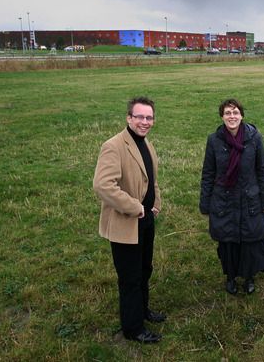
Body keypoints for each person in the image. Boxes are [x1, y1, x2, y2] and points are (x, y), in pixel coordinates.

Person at [93, 96, 166, 344]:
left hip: (146, 221)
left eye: (149, 117)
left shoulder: (146, 143)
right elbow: (103, 185)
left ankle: (142, 311)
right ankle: (133, 328)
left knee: (145, 270)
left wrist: (155, 202)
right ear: (129, 118)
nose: (144, 122)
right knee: (130, 277)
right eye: (140, 117)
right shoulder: (114, 146)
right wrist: (135, 207)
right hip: (126, 223)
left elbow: (150, 177)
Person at [200, 98, 264, 295]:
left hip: (249, 198)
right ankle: (230, 277)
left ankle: (249, 276)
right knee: (228, 242)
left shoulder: (254, 138)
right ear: (222, 116)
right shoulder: (214, 140)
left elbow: (261, 170)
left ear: (242, 115)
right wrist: (205, 203)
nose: (232, 116)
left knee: (249, 240)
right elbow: (208, 173)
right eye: (228, 113)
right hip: (223, 200)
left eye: (235, 112)